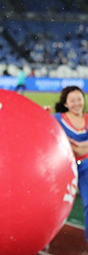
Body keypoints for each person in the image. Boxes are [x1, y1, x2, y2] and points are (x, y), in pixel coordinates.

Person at [54, 86, 88, 243]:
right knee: (51, 203)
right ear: (65, 103)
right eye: (72, 100)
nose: (76, 103)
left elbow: (78, 150)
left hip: (85, 168)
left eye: (79, 99)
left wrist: (77, 147)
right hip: (62, 169)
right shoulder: (56, 118)